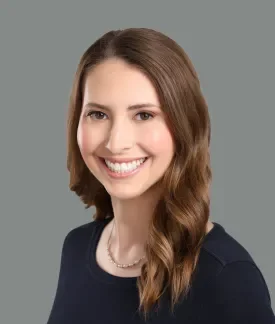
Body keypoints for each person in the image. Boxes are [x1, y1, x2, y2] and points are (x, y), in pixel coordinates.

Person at [46, 28, 275, 323]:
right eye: (98, 114)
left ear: (185, 127)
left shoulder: (225, 276)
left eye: (144, 115)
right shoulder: (76, 248)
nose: (116, 143)